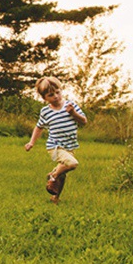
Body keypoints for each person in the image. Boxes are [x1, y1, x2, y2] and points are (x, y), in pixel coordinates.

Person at [24, 76, 87, 204]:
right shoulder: (46, 112)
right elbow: (39, 127)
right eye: (51, 95)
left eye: (58, 92)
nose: (56, 96)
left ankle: (55, 197)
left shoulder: (71, 105)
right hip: (55, 146)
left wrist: (73, 113)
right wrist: (31, 142)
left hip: (70, 146)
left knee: (62, 175)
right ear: (45, 98)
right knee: (72, 164)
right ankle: (52, 175)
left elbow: (84, 121)